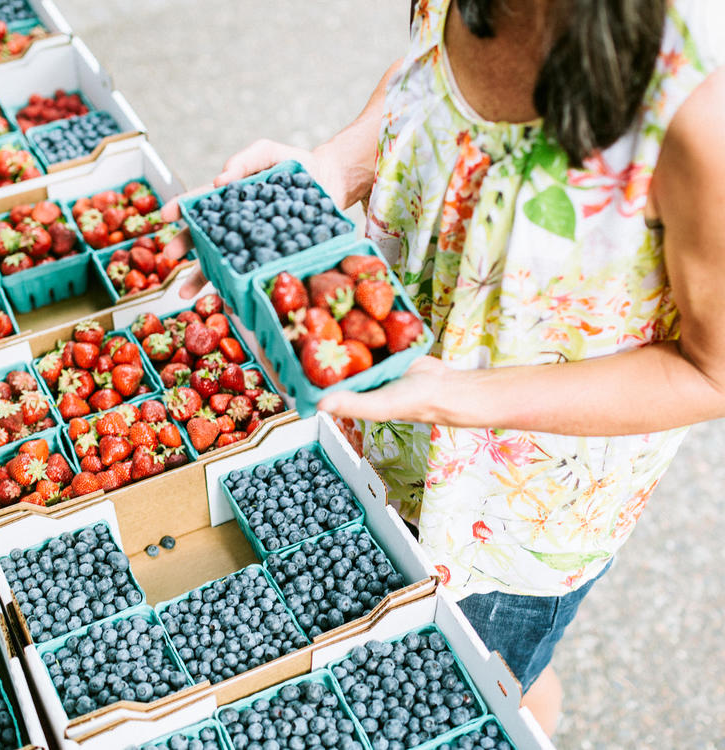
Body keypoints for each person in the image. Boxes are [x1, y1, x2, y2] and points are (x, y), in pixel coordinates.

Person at [163, 0, 725, 735]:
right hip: (390, 430)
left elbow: (710, 373)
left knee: (476, 671)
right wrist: (336, 165)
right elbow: (425, 82)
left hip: (510, 517)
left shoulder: (697, 104)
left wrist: (453, 395)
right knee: (508, 674)